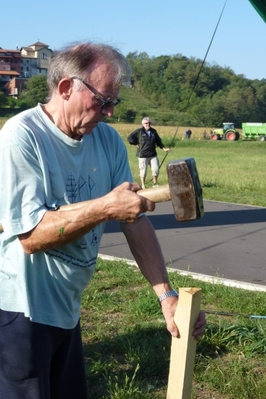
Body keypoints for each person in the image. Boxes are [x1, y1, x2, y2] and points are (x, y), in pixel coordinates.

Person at [0, 41, 205, 399]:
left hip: (66, 309)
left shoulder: (107, 141)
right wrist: (105, 208)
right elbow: (30, 236)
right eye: (103, 100)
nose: (109, 112)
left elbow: (134, 221)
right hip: (18, 312)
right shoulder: (22, 136)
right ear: (66, 88)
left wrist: (166, 295)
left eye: (115, 102)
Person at [127, 117, 170, 189]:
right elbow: (129, 138)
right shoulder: (139, 131)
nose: (148, 124)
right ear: (143, 124)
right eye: (146, 123)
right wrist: (135, 143)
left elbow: (158, 141)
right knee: (143, 171)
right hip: (143, 155)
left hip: (153, 154)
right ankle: (143, 185)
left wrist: (164, 148)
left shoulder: (154, 131)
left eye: (149, 123)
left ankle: (155, 184)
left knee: (155, 169)